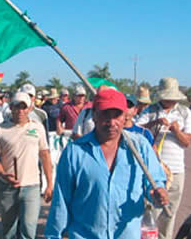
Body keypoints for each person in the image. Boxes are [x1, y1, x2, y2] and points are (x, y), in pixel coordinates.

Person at [45, 88, 168, 239]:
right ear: (94, 116)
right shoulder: (75, 152)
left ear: (125, 116)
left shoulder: (140, 146)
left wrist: (157, 193)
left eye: (117, 115)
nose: (111, 123)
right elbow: (61, 201)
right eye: (105, 115)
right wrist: (54, 235)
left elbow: (155, 181)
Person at [0, 91, 53, 239]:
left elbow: (45, 156)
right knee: (9, 229)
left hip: (32, 186)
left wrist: (49, 184)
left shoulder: (37, 128)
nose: (20, 111)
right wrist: (3, 174)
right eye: (16, 107)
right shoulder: (0, 130)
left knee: (28, 229)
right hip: (7, 187)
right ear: (11, 108)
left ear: (30, 109)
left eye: (23, 107)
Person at [136, 77, 191, 239]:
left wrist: (176, 130)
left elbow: (187, 142)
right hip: (154, 169)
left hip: (176, 170)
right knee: (151, 211)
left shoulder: (184, 112)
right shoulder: (151, 110)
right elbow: (136, 130)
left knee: (170, 212)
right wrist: (154, 123)